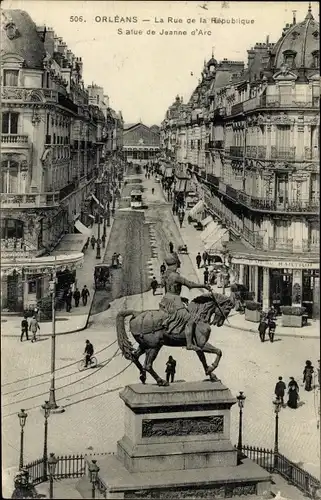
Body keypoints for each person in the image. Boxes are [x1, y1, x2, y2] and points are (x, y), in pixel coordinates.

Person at [159, 254, 211, 351]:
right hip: (175, 301)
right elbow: (190, 285)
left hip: (166, 299)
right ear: (174, 264)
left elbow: (168, 290)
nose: (180, 263)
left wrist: (181, 298)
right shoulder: (176, 276)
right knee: (190, 320)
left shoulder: (165, 274)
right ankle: (189, 344)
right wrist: (204, 286)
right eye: (178, 262)